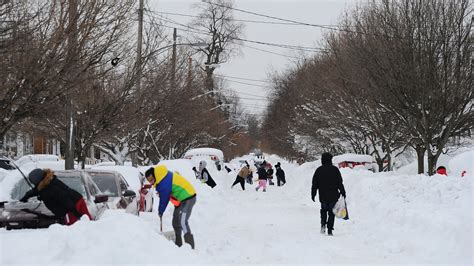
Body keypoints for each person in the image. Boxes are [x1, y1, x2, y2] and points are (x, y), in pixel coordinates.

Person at [145, 165, 197, 249]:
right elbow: (169, 193)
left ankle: (190, 247)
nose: (151, 182)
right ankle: (178, 245)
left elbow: (164, 198)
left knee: (183, 221)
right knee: (176, 222)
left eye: (151, 179)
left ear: (154, 175)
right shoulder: (162, 178)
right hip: (180, 201)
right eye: (149, 181)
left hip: (188, 197)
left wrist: (160, 211)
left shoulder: (163, 180)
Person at [19, 168, 92, 225]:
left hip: (72, 206)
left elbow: (64, 197)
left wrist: (74, 211)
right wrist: (27, 195)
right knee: (88, 222)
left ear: (38, 181)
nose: (34, 185)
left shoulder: (50, 188)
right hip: (77, 199)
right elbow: (37, 190)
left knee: (72, 228)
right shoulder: (48, 182)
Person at [311, 153, 346, 236]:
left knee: (323, 210)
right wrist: (343, 191)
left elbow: (314, 183)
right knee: (331, 212)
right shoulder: (335, 170)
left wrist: (313, 193)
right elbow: (339, 182)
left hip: (323, 195)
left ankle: (323, 224)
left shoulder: (319, 170)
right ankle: (330, 229)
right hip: (333, 195)